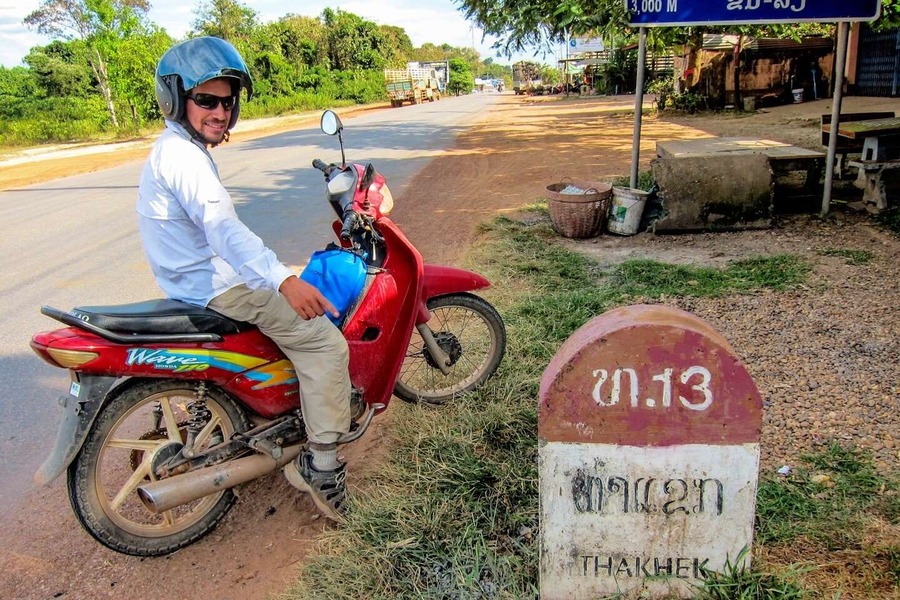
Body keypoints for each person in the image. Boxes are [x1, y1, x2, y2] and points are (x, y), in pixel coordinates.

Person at [137, 36, 351, 521]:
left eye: (226, 101)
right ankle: (322, 465)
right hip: (218, 287)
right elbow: (223, 229)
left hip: (193, 283)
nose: (219, 111)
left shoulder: (174, 149)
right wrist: (281, 279)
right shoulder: (185, 159)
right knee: (325, 345)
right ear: (175, 99)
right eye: (205, 100)